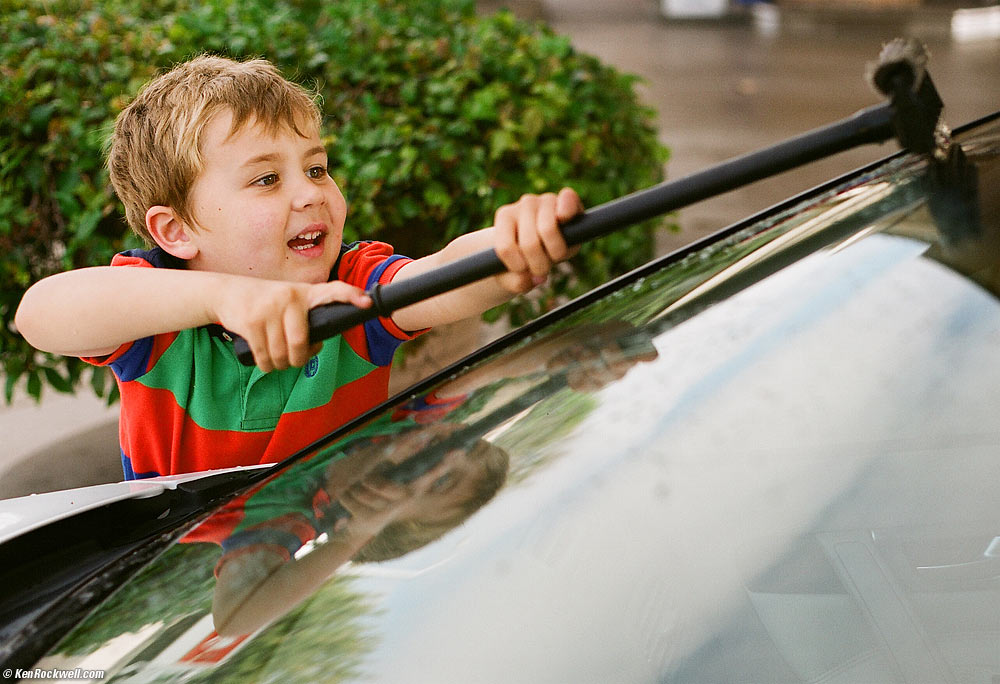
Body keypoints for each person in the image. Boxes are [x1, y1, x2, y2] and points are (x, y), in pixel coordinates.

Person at [14, 55, 583, 479]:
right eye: (267, 179)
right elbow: (40, 314)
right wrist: (224, 298)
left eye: (316, 169)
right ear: (175, 231)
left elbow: (442, 276)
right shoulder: (158, 314)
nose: (310, 194)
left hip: (328, 576)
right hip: (184, 602)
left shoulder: (354, 292)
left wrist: (510, 247)